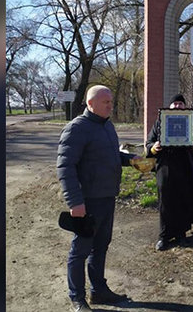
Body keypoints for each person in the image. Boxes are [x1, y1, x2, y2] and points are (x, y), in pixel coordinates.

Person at [56, 85, 136, 311]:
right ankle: (77, 298)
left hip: (107, 197)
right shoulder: (76, 129)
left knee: (100, 247)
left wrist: (131, 159)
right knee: (80, 251)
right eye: (106, 102)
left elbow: (110, 155)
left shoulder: (107, 125)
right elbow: (65, 166)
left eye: (111, 102)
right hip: (87, 201)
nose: (110, 105)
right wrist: (74, 202)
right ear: (90, 104)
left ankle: (99, 291)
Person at [146, 94, 193, 251]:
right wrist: (153, 147)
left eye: (180, 104)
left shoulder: (192, 121)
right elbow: (149, 142)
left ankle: (181, 234)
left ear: (185, 107)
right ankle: (164, 236)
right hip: (166, 166)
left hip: (185, 166)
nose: (178, 106)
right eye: (175, 104)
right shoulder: (160, 121)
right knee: (166, 201)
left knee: (184, 199)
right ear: (170, 106)